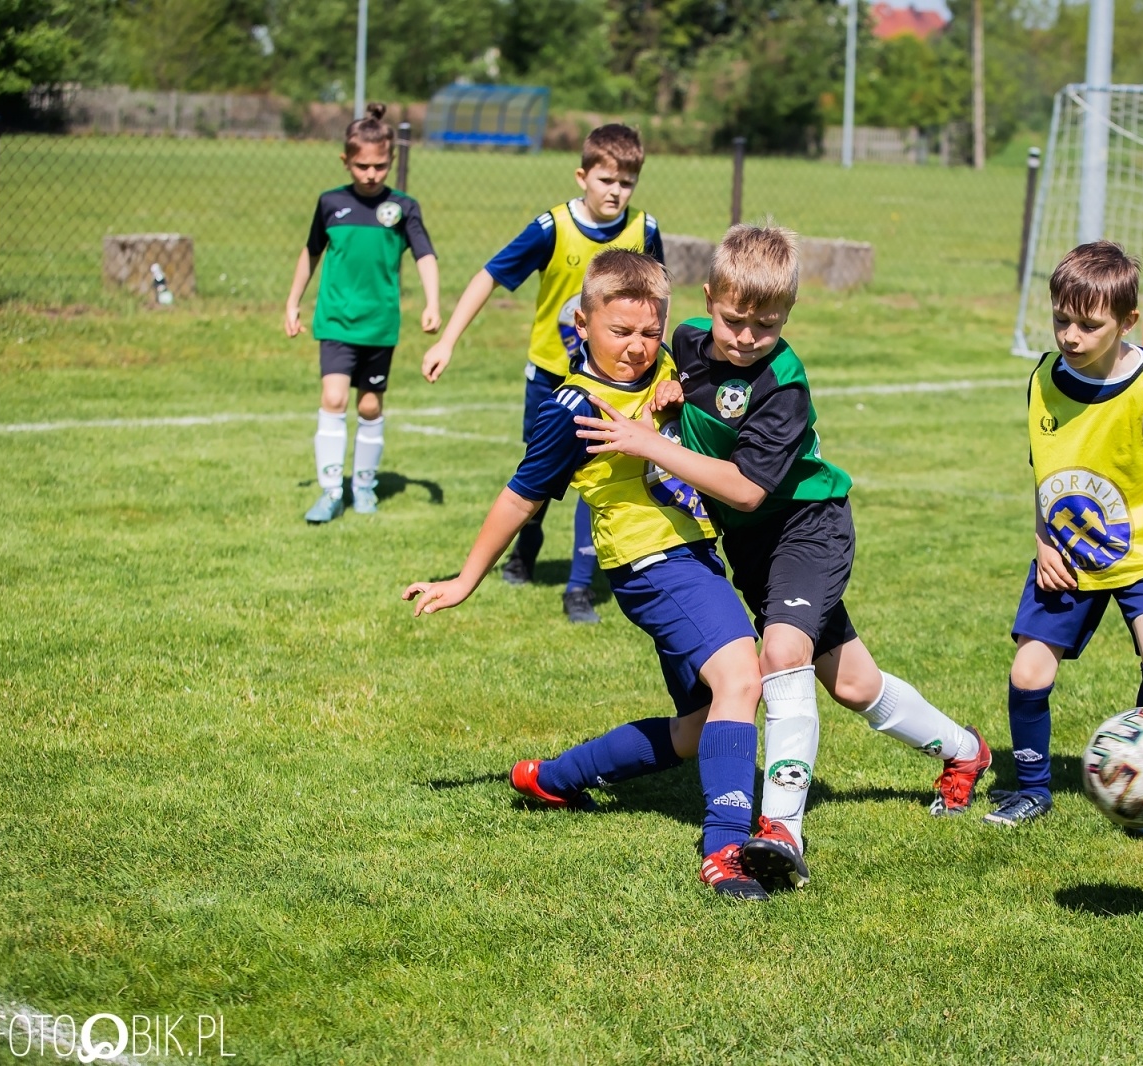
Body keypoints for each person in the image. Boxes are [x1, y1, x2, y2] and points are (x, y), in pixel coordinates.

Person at [575, 224, 992, 891]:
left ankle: (781, 830)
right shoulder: (683, 340)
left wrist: (648, 443)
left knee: (781, 655)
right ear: (709, 298)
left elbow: (743, 487)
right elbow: (672, 375)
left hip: (807, 525)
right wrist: (667, 392)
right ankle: (965, 752)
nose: (745, 337)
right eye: (734, 320)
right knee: (854, 684)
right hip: (751, 544)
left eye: (765, 326)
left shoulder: (782, 387)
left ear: (787, 316)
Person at [403, 250, 770, 901]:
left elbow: (707, 364)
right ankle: (726, 848)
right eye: (619, 332)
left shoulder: (669, 358)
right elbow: (522, 495)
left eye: (647, 332)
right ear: (581, 324)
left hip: (695, 555)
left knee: (698, 727)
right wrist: (465, 579)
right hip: (651, 563)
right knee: (743, 675)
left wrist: (678, 385)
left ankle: (553, 778)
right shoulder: (572, 406)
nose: (636, 347)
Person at [991, 240, 1143, 836]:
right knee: (1028, 674)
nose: (1070, 336)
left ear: (1127, 322)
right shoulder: (1043, 377)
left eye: (1089, 325)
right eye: (1060, 320)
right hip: (1067, 553)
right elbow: (1045, 472)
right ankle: (1032, 789)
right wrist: (1043, 540)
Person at [419, 124, 665, 623]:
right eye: (606, 180)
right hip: (552, 377)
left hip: (611, 382)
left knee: (597, 471)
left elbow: (656, 304)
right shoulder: (553, 227)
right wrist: (447, 339)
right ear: (582, 176)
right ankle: (523, 553)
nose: (616, 191)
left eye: (627, 182)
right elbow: (490, 274)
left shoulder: (645, 230)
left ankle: (578, 586)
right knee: (539, 471)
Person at [285, 103, 440, 523]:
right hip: (335, 320)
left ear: (390, 160)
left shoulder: (403, 207)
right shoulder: (330, 203)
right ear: (345, 161)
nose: (371, 174)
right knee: (333, 399)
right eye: (362, 166)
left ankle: (365, 486)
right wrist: (293, 301)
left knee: (369, 407)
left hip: (379, 325)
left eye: (380, 165)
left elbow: (425, 255)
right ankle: (332, 491)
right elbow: (311, 253)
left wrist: (432, 302)